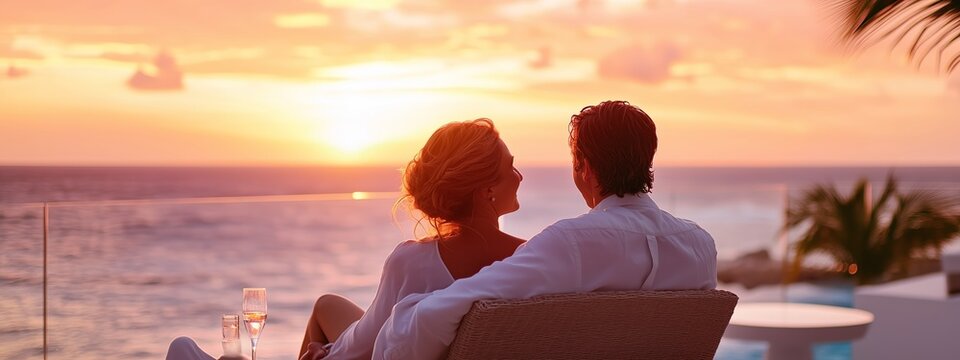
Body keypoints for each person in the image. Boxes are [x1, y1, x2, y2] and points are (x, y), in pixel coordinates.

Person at [371, 100, 718, 360]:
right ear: (647, 160)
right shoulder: (700, 247)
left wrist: (405, 313)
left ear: (583, 167)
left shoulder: (570, 245)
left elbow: (436, 314)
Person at [165, 119, 525, 360]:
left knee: (182, 349)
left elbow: (372, 345)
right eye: (511, 166)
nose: (519, 175)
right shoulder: (529, 260)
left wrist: (329, 355)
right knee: (327, 306)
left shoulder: (415, 263)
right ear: (485, 189)